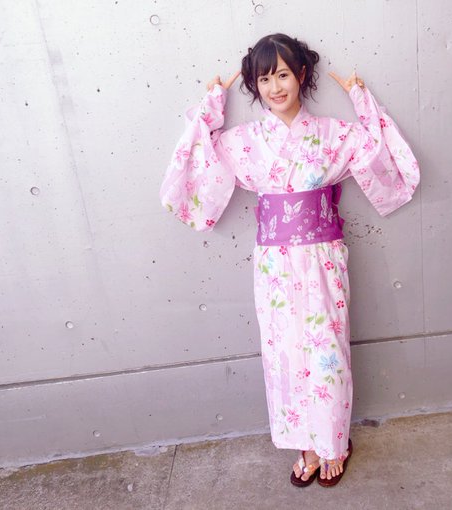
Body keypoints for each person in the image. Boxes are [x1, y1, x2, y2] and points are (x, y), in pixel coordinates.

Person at [160, 33, 420, 487]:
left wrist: (361, 98)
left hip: (322, 258)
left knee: (326, 352)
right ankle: (306, 443)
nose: (275, 87)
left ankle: (333, 442)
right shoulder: (244, 142)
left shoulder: (332, 134)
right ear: (255, 85)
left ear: (300, 74)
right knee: (284, 352)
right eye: (264, 79)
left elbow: (377, 149)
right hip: (274, 265)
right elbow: (200, 158)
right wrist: (210, 107)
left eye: (282, 74)